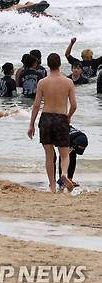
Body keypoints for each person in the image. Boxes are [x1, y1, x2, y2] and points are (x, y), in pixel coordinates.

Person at [28, 53, 77, 193]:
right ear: (60, 64)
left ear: (48, 65)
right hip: (61, 118)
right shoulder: (68, 82)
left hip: (46, 119)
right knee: (65, 153)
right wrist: (68, 117)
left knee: (49, 154)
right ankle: (64, 175)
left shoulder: (42, 82)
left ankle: (52, 186)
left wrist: (31, 124)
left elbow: (36, 105)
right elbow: (74, 105)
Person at [53, 126, 88, 191]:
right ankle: (59, 181)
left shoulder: (82, 138)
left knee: (73, 156)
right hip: (56, 133)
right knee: (57, 157)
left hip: (72, 137)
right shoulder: (67, 139)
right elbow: (62, 158)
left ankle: (69, 179)